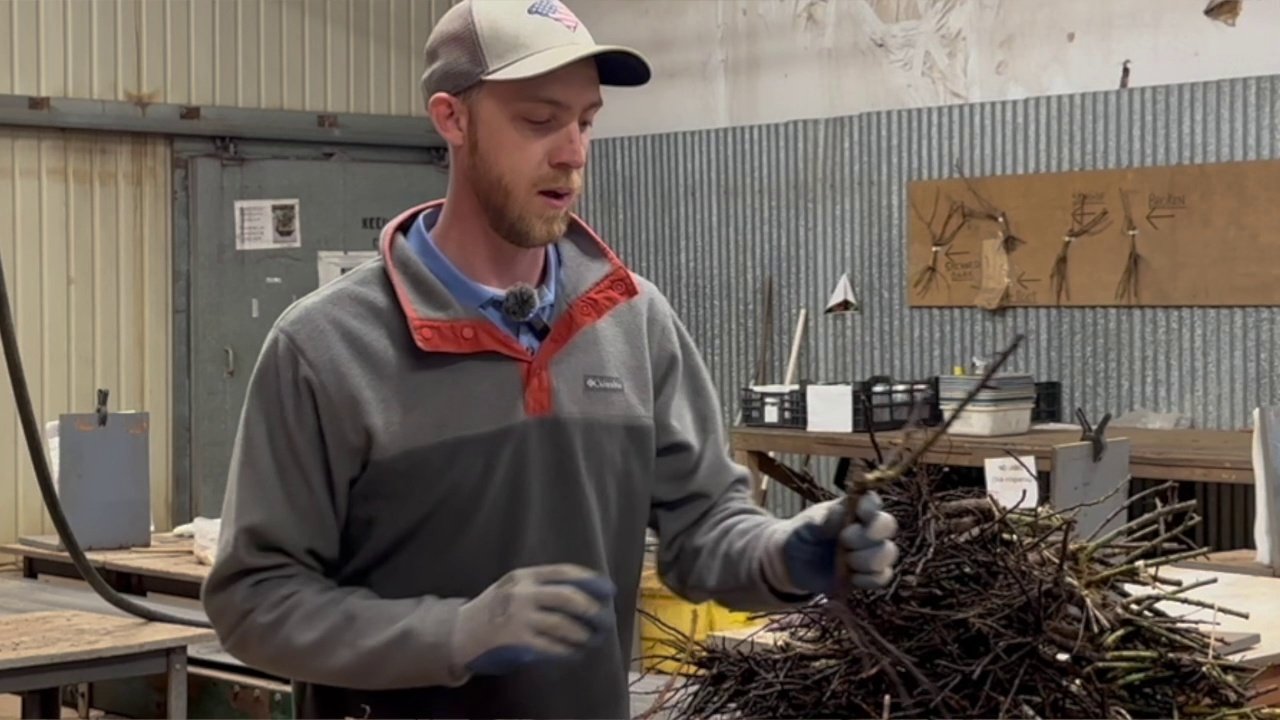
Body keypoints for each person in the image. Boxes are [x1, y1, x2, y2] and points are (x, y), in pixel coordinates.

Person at [200, 1, 900, 718]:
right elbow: (254, 601)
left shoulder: (633, 322)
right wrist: (456, 632)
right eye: (539, 120)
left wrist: (785, 555)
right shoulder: (329, 348)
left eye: (586, 121)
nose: (572, 151)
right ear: (452, 119)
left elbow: (704, 533)